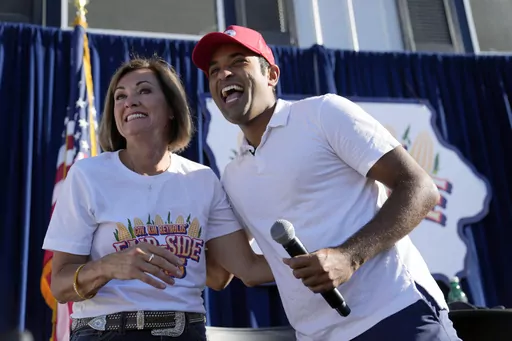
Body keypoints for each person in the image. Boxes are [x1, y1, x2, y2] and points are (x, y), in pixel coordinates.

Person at [191, 25, 462, 341]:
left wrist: (349, 256)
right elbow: (247, 270)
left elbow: (420, 188)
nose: (223, 74)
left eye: (238, 62)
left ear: (271, 75)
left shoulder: (322, 114)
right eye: (214, 71)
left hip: (398, 314)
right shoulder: (234, 177)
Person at [42, 57, 274, 341]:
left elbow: (221, 275)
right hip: (105, 332)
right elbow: (60, 285)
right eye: (120, 96)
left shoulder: (201, 179)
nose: (130, 101)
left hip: (184, 331)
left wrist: (328, 257)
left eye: (144, 91)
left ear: (172, 109)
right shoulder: (87, 175)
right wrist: (108, 266)